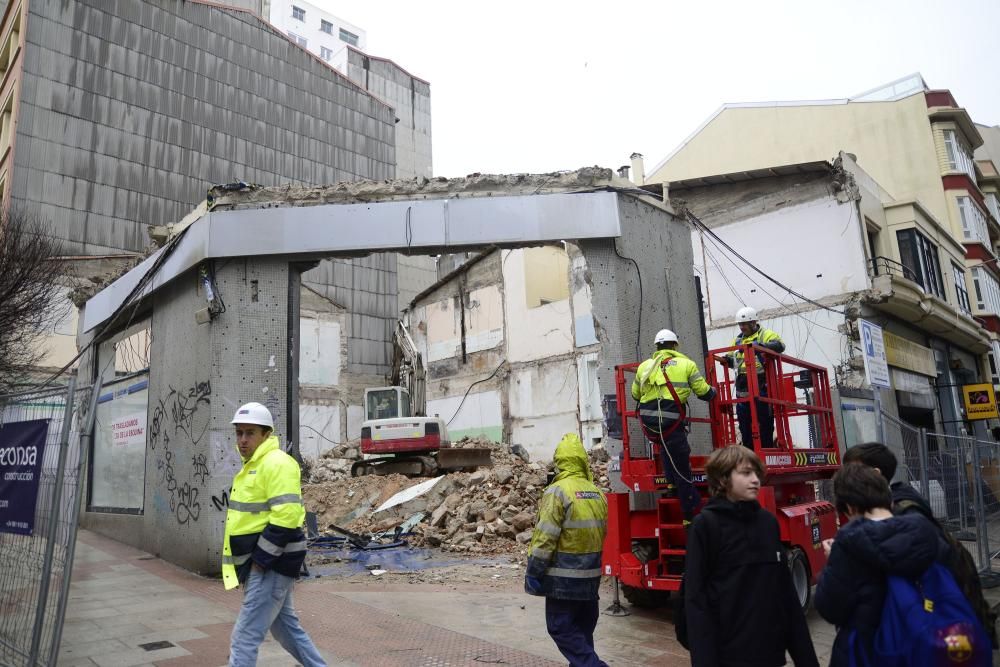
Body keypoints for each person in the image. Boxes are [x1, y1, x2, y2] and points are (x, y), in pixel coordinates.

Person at [842, 442, 997, 647]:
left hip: (929, 636)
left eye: (853, 471)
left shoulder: (904, 517)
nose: (847, 478)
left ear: (876, 474)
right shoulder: (900, 508)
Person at [684, 445, 818, 667]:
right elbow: (696, 602)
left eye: (757, 473)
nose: (755, 480)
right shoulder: (706, 526)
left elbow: (786, 595)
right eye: (746, 473)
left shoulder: (768, 523)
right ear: (722, 479)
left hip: (770, 656)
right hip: (728, 657)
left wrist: (807, 660)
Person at [222, 402, 326, 667]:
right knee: (286, 629)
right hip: (263, 563)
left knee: (244, 637)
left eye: (250, 433)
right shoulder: (254, 465)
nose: (243, 440)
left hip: (269, 565)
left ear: (266, 434)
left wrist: (261, 561)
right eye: (239, 433)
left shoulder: (277, 463)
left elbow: (287, 516)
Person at [814, 463, 942, 666]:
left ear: (850, 507)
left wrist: (832, 562)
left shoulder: (849, 543)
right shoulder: (924, 532)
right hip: (923, 646)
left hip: (869, 651)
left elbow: (830, 608)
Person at [524, 433, 609, 667]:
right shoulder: (597, 493)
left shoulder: (557, 492)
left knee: (560, 627)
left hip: (563, 581)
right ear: (582, 460)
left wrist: (534, 571)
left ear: (560, 461)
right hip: (590, 579)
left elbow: (545, 538)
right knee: (582, 636)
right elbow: (603, 533)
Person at [631, 328, 716, 525]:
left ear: (656, 346)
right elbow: (703, 392)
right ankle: (689, 515)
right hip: (671, 422)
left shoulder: (644, 366)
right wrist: (714, 392)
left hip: (650, 425)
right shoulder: (686, 364)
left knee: (666, 448)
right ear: (675, 345)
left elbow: (635, 395)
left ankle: (670, 485)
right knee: (681, 462)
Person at [727, 306, 784, 449]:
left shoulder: (765, 334)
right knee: (744, 421)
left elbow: (779, 345)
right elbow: (729, 358)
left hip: (761, 382)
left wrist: (760, 345)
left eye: (744, 324)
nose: (741, 327)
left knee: (764, 419)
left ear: (753, 323)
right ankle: (748, 451)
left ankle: (766, 449)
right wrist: (723, 359)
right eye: (740, 324)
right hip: (743, 385)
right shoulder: (737, 341)